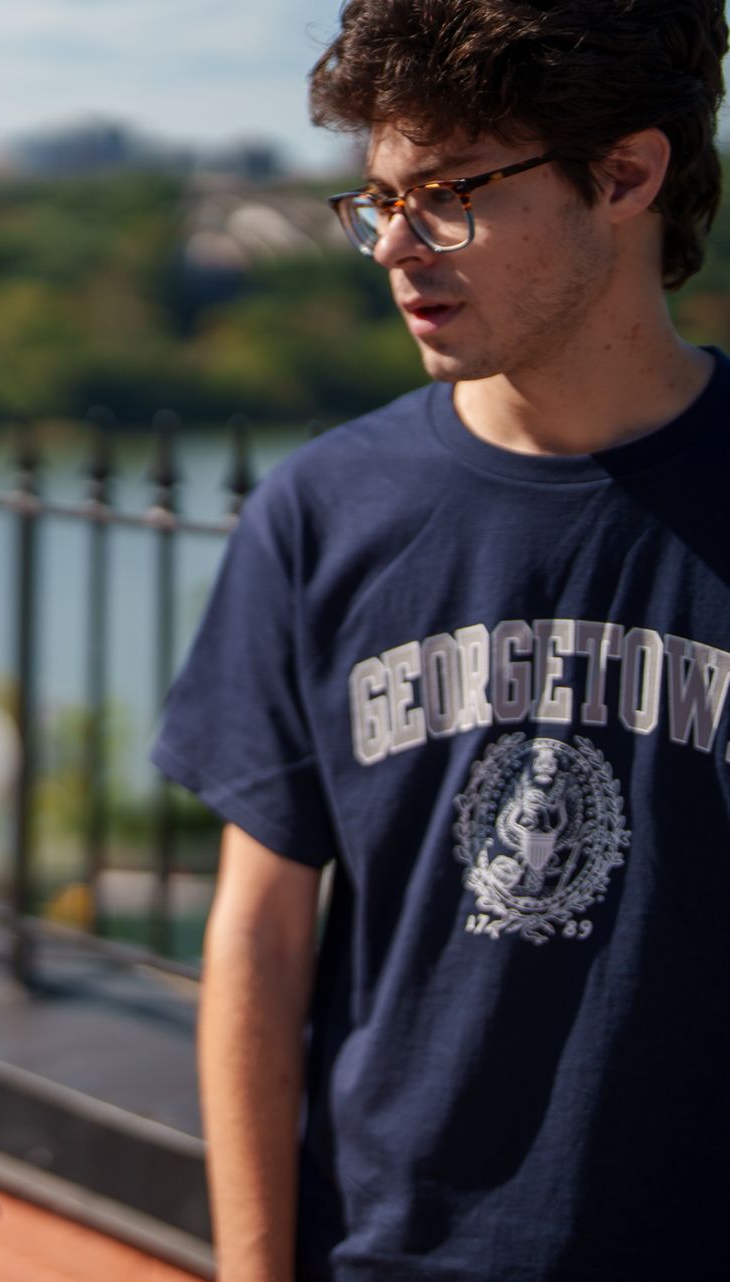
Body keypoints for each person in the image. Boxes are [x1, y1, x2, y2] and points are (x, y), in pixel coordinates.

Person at [151, 2, 730, 1279]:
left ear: (628, 175)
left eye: (453, 192)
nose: (396, 246)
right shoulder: (324, 511)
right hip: (389, 1252)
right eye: (379, 200)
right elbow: (259, 936)